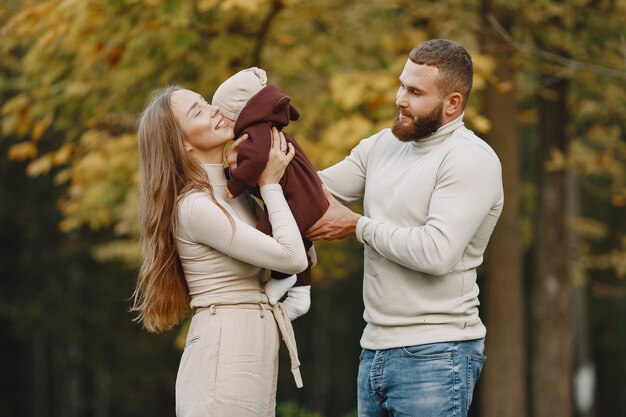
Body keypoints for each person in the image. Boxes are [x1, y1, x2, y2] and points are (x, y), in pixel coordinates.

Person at [307, 39, 504, 417]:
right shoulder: (383, 145)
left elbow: (436, 252)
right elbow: (316, 190)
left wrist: (357, 226)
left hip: (437, 353)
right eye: (401, 85)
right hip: (374, 348)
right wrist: (257, 161)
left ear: (453, 103)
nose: (400, 99)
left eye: (415, 92)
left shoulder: (469, 160)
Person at [131, 85, 309, 417]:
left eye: (205, 102)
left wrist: (259, 179)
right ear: (182, 142)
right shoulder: (194, 207)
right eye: (197, 112)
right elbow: (292, 258)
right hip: (221, 359)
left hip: (251, 352)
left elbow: (301, 237)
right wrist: (270, 184)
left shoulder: (234, 192)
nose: (214, 109)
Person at [212, 67, 329, 312]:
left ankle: (282, 275)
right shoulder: (263, 129)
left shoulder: (256, 133)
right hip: (304, 195)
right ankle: (301, 281)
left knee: (267, 236)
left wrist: (235, 185)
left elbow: (255, 163)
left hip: (301, 198)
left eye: (224, 116)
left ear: (240, 113)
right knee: (282, 228)